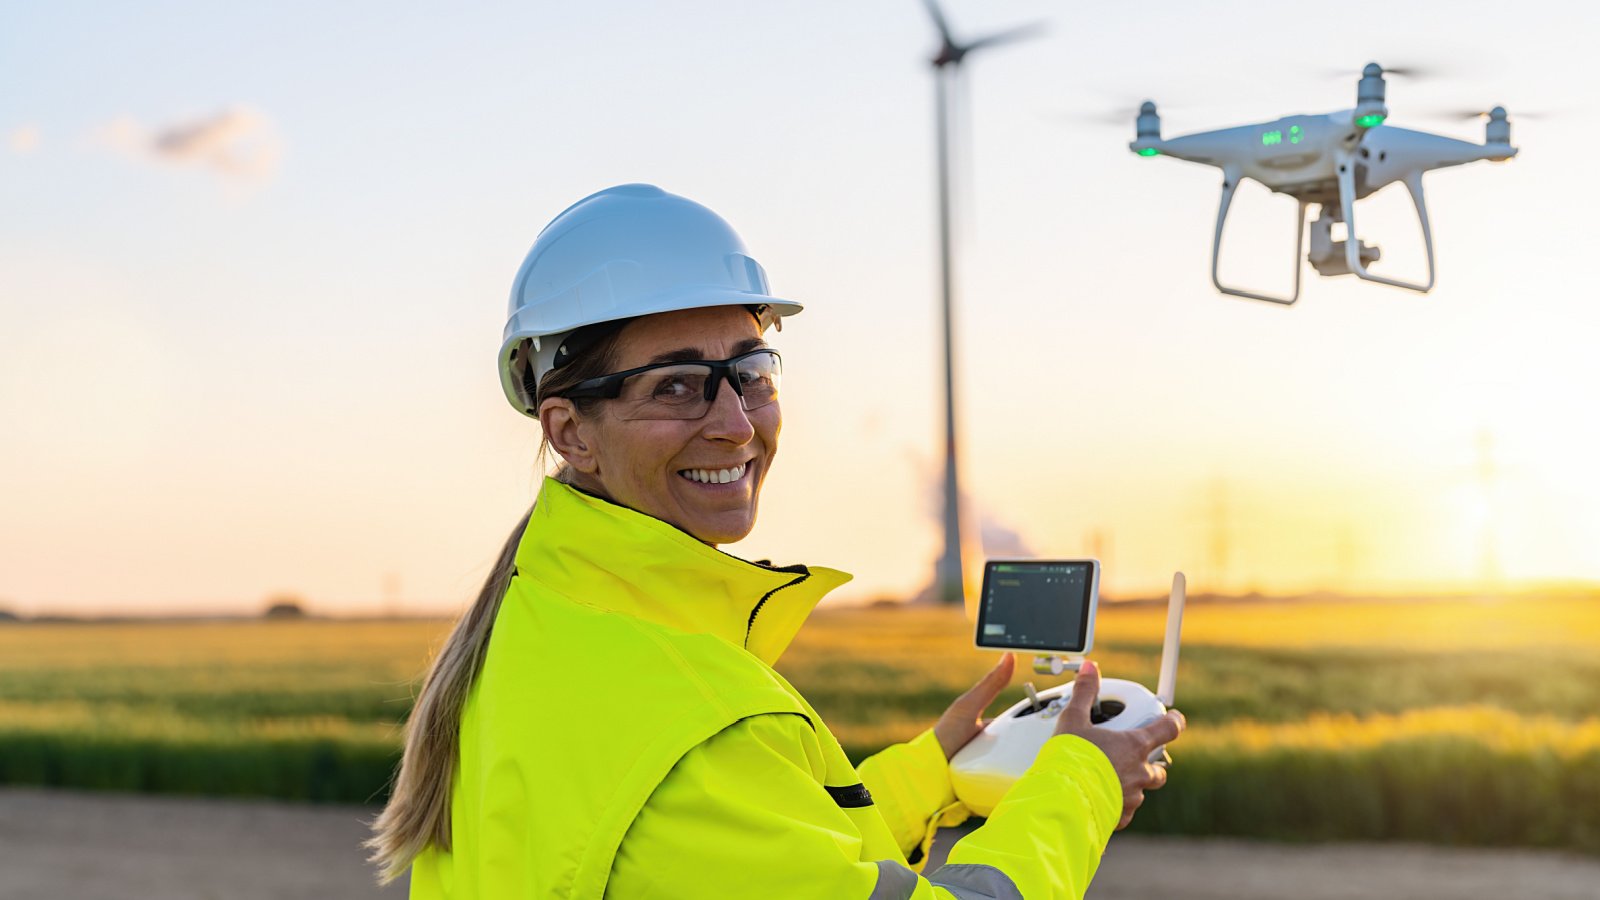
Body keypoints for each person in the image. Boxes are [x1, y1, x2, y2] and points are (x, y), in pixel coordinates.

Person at [366, 184, 1185, 898]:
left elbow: (764, 853)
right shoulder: (691, 725)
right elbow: (708, 811)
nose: (736, 424)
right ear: (571, 432)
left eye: (751, 372)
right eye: (676, 385)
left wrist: (935, 770)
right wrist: (1079, 782)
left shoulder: (541, 625)